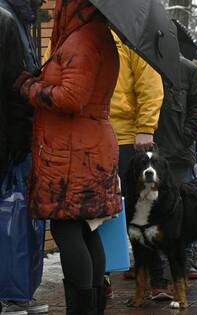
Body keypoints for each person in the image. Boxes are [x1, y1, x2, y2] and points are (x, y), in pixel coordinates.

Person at [14, 0, 121, 313]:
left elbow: (71, 98)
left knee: (67, 228)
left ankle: (82, 309)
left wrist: (28, 86)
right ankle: (92, 306)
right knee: (86, 227)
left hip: (75, 150)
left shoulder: (83, 40)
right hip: (86, 145)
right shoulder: (97, 35)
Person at [107, 33, 172, 300]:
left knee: (141, 208)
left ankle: (158, 279)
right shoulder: (76, 29)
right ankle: (100, 276)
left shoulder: (126, 34)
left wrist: (145, 127)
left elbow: (149, 82)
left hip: (125, 136)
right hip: (89, 134)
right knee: (95, 211)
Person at [0, 0, 48, 314]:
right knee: (13, 219)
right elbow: (14, 86)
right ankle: (14, 293)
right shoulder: (8, 21)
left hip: (11, 137)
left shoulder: (17, 18)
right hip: (10, 140)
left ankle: (16, 292)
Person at [155, 55, 197, 280]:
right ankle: (154, 259)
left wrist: (186, 136)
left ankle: (188, 256)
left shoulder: (187, 69)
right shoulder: (140, 63)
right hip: (149, 150)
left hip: (178, 152)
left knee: (184, 207)